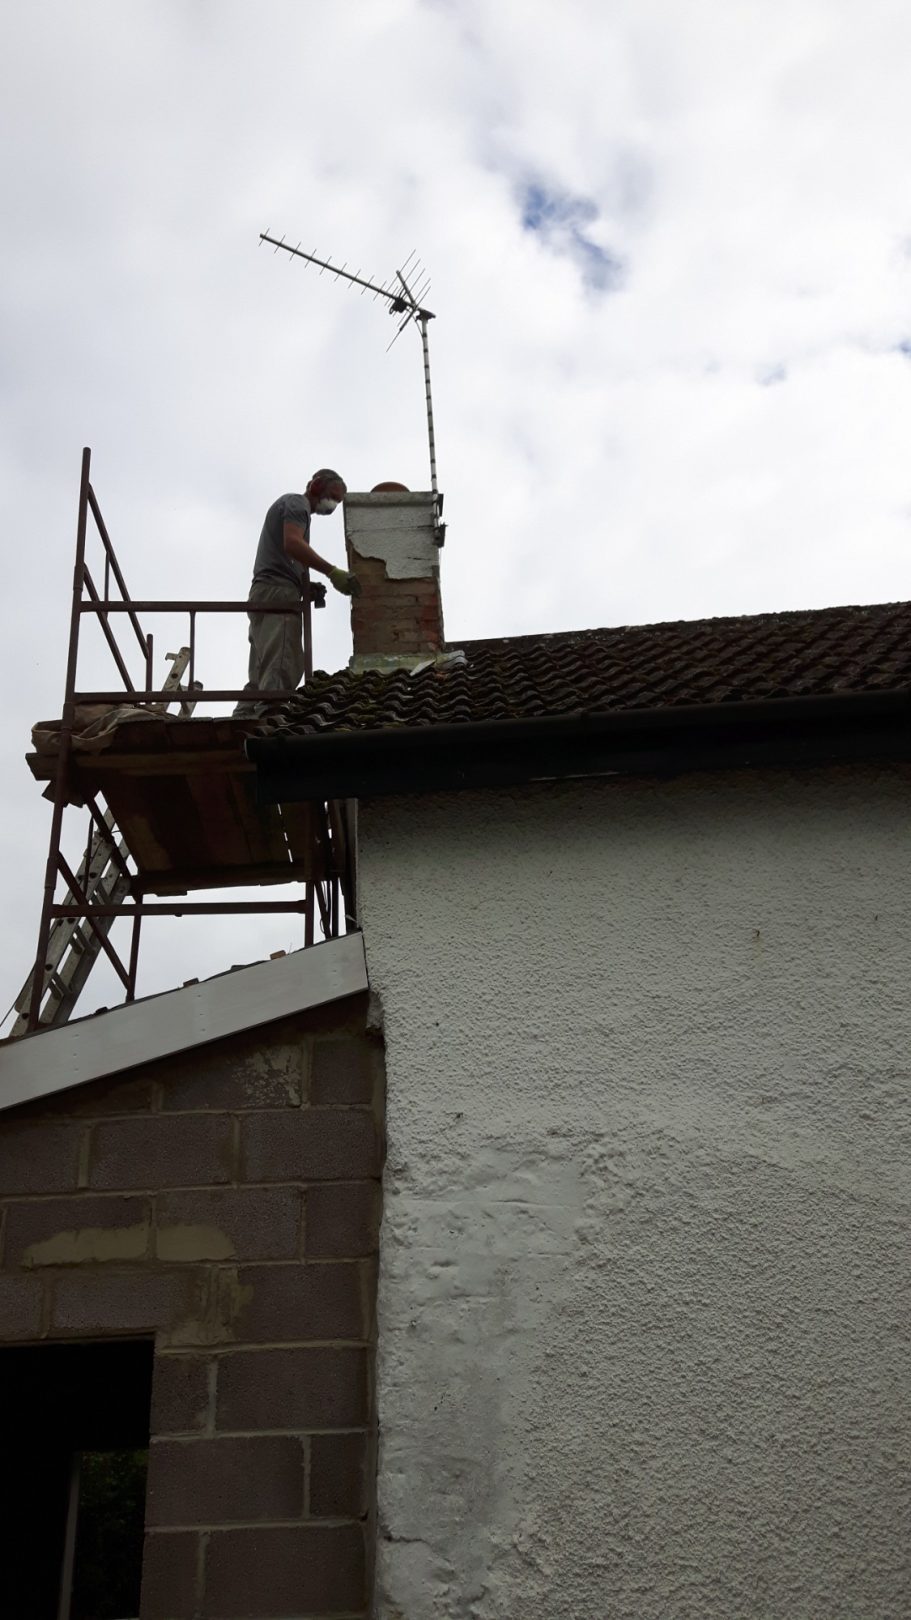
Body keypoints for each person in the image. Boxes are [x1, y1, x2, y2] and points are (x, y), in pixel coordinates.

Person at [233, 468, 358, 716]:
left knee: (262, 664)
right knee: (282, 657)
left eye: (337, 501)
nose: (332, 504)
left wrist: (305, 586)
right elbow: (292, 543)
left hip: (265, 591)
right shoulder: (296, 504)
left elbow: (288, 556)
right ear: (316, 486)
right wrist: (332, 571)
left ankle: (243, 716)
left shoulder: (295, 509)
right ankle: (271, 713)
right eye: (332, 496)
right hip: (278, 592)